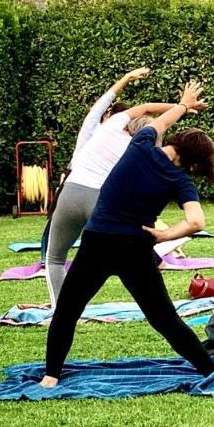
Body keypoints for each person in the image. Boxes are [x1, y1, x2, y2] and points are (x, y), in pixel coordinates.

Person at [40, 82, 214, 388]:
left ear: (174, 142)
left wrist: (184, 105)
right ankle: (211, 371)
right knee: (164, 319)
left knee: (68, 311)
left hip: (97, 241)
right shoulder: (179, 180)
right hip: (134, 249)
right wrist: (164, 237)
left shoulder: (140, 143)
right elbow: (196, 221)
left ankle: (50, 377)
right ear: (191, 163)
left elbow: (159, 120)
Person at [43, 69, 174, 306]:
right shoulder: (139, 150)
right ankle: (152, 280)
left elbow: (137, 107)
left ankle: (60, 312)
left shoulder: (109, 125)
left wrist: (180, 104)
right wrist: (183, 107)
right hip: (101, 201)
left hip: (70, 193)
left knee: (54, 258)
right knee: (117, 259)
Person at [37, 68, 150, 270]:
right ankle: (48, 257)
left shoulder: (118, 134)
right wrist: (125, 79)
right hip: (76, 180)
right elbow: (104, 102)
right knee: (56, 224)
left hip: (93, 186)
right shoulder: (94, 126)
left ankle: (56, 259)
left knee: (101, 230)